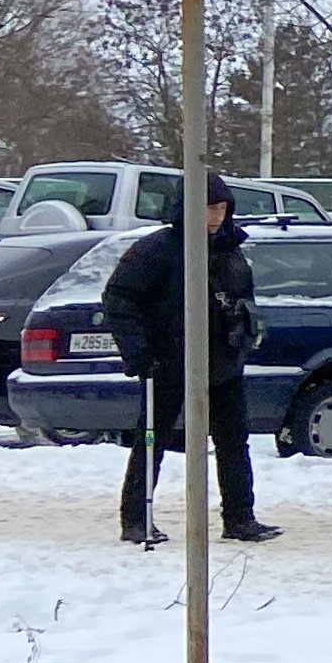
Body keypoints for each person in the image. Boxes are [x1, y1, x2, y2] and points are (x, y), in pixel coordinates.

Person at [106, 175, 272, 545]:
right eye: (209, 208)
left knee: (233, 441)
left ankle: (240, 517)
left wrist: (245, 332)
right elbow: (119, 301)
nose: (216, 217)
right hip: (166, 363)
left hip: (223, 363)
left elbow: (242, 299)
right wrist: (138, 353)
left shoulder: (230, 249)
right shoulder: (157, 250)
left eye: (222, 208)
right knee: (151, 441)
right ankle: (136, 520)